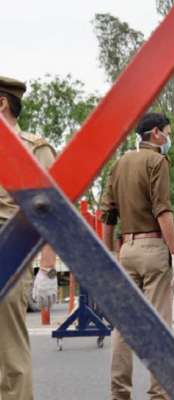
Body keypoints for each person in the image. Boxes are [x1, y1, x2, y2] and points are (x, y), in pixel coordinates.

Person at [100, 112, 174, 400]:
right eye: (167, 132)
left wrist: (110, 251)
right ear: (156, 134)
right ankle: (159, 395)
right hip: (152, 248)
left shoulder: (119, 163)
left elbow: (108, 214)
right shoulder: (157, 161)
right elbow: (163, 210)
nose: (169, 137)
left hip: (126, 250)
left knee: (124, 326)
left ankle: (119, 394)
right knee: (159, 325)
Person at [0, 76, 58, 400]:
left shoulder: (33, 148)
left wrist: (48, 269)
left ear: (2, 103)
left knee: (10, 359)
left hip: (8, 249)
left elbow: (51, 209)